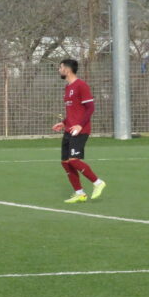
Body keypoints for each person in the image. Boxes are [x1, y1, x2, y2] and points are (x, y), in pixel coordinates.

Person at [51, 58, 106, 203]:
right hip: (69, 129)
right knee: (65, 162)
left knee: (74, 161)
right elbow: (73, 112)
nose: (59, 70)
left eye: (60, 67)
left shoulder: (81, 85)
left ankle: (98, 183)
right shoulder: (68, 88)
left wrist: (80, 125)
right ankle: (80, 193)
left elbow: (90, 108)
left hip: (80, 130)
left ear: (67, 70)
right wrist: (63, 123)